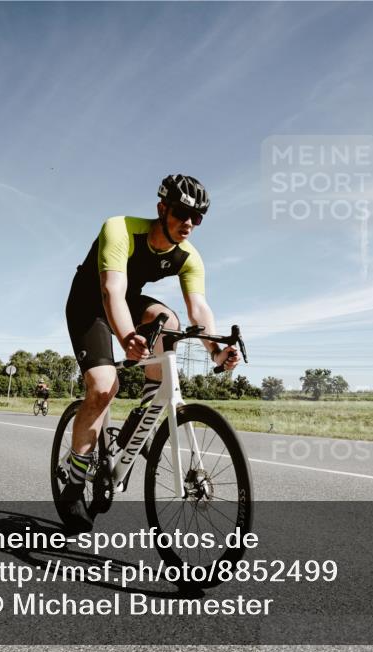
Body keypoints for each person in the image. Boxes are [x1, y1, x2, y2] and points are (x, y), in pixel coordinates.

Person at [61, 174, 239, 531]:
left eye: (197, 217)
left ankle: (143, 413)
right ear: (162, 209)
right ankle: (75, 480)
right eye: (181, 213)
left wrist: (216, 351)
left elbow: (198, 309)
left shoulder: (188, 256)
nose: (189, 223)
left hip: (128, 302)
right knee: (103, 387)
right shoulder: (120, 229)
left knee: (169, 321)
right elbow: (111, 290)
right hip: (89, 304)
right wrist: (127, 336)